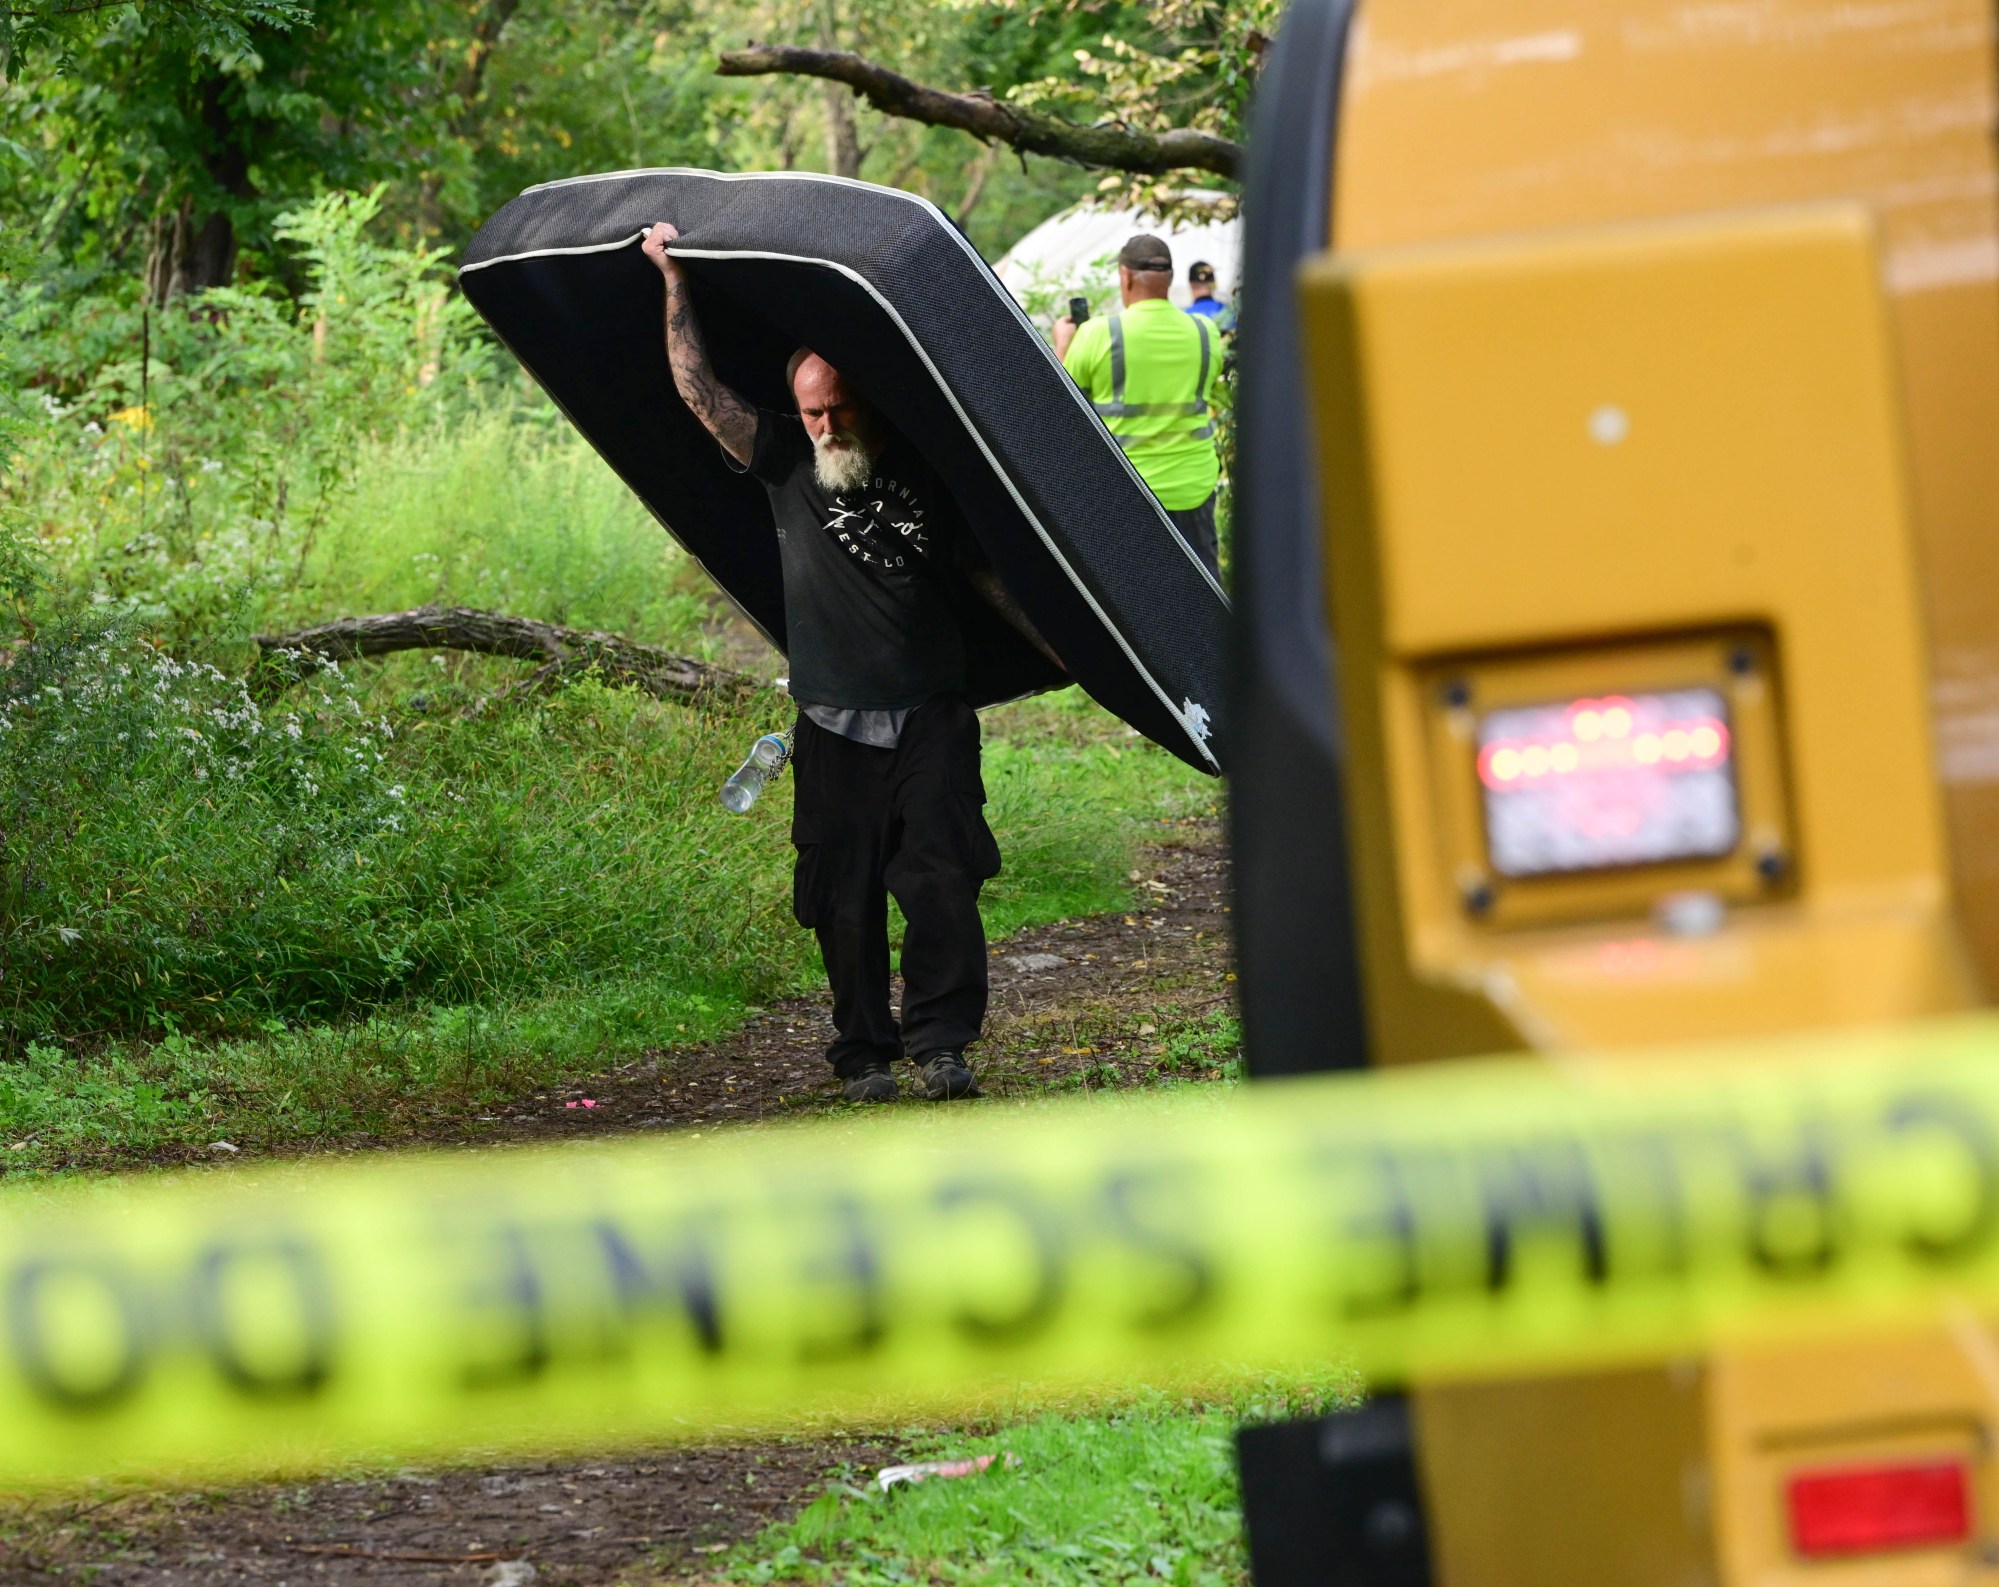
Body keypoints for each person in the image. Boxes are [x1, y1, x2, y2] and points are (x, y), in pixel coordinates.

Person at [640, 220, 1053, 1105]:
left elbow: (988, 579)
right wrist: (673, 280)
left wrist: (1080, 652)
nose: (824, 425)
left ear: (867, 399)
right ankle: (863, 1051)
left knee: (940, 879)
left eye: (836, 408)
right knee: (844, 895)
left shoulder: (931, 466)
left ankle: (941, 1044)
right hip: (830, 719)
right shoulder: (785, 453)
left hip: (930, 711)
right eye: (812, 410)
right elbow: (697, 393)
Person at [1054, 234, 1222, 577]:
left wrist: (1063, 347)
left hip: (1126, 492)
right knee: (1203, 595)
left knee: (1135, 598)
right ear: (1170, 279)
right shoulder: (1205, 332)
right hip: (1194, 487)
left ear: (1125, 277)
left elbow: (1061, 406)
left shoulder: (1099, 334)